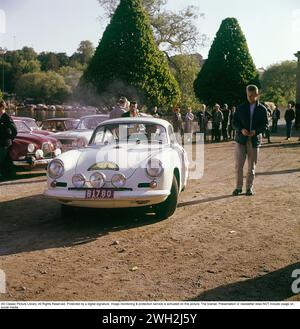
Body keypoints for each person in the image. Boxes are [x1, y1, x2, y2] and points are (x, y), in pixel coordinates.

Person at [232, 85, 268, 196]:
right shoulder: (240, 108)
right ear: (247, 94)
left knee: (251, 166)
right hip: (241, 140)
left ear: (257, 94)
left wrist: (256, 132)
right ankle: (238, 188)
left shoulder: (262, 109)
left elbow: (265, 125)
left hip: (254, 141)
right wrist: (241, 129)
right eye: (249, 95)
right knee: (239, 165)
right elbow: (234, 123)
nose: (252, 97)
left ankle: (249, 188)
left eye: (254, 95)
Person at [0, 100, 17, 178]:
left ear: (2, 107)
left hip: (4, 143)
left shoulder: (6, 117)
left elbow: (14, 130)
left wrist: (10, 138)